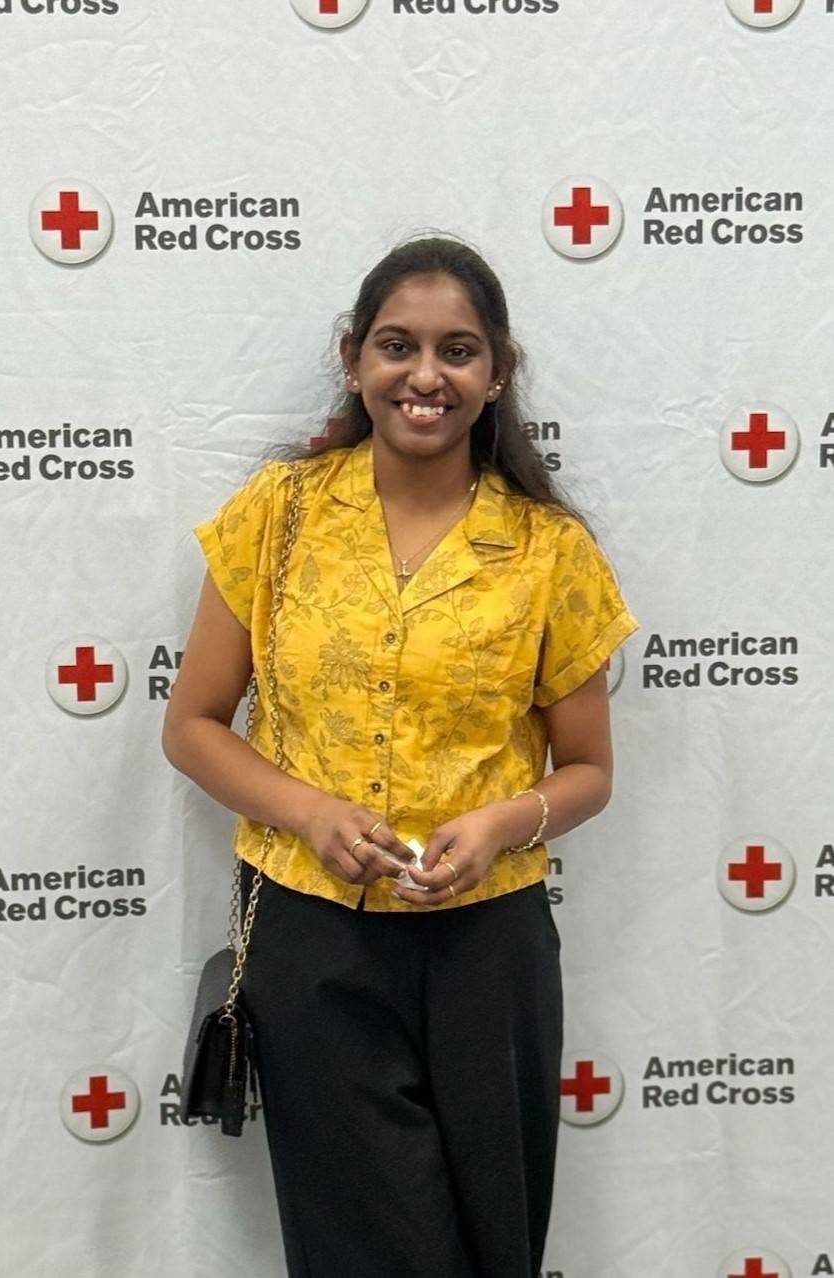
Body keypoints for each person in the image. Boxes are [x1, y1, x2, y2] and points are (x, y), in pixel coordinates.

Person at [162, 234, 639, 1278]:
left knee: (490, 1243)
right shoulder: (277, 519)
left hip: (491, 952)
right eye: (398, 345)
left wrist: (504, 823)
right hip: (310, 936)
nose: (426, 375)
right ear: (353, 359)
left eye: (458, 350)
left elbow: (589, 770)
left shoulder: (552, 553)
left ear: (497, 373)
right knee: (369, 1248)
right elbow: (191, 723)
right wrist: (309, 812)